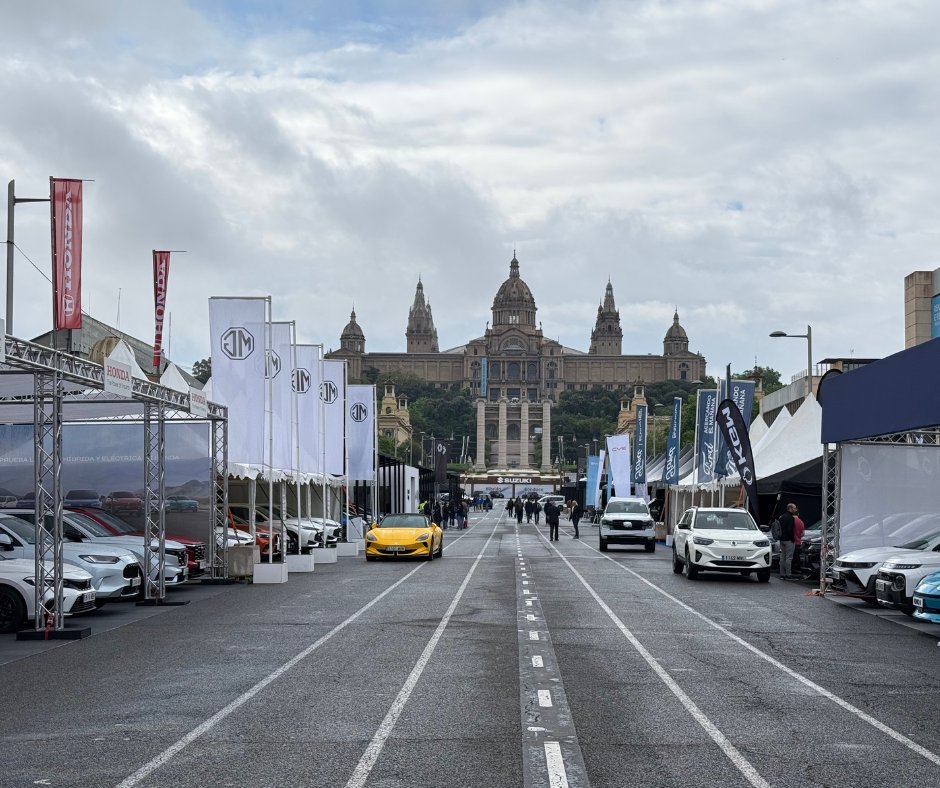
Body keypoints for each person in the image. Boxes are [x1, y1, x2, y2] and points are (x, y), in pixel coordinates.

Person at [777, 502, 798, 579]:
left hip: (782, 539)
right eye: (794, 508)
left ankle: (782, 574)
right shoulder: (791, 518)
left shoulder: (781, 517)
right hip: (789, 540)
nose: (795, 509)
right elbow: (790, 530)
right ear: (790, 508)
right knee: (789, 557)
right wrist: (792, 539)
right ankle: (788, 574)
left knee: (782, 557)